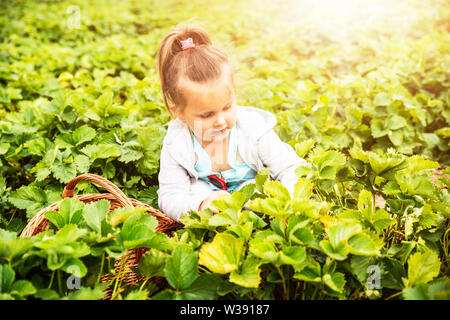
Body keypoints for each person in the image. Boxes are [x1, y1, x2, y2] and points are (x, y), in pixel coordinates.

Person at [156, 23, 309, 222]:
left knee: (260, 186)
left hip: (261, 208)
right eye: (206, 115)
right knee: (196, 189)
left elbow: (291, 168)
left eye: (227, 107)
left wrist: (284, 202)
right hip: (213, 216)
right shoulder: (176, 144)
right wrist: (199, 206)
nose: (220, 121)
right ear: (180, 113)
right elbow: (170, 195)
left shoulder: (254, 130)